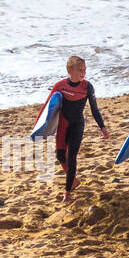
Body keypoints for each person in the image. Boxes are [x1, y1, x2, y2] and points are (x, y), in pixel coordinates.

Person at [41, 55, 109, 203]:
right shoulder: (59, 86)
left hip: (77, 125)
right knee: (60, 156)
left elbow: (94, 110)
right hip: (63, 125)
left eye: (84, 70)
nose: (83, 73)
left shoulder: (87, 87)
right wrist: (38, 129)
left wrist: (102, 127)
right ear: (69, 70)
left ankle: (67, 192)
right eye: (79, 70)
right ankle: (74, 180)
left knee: (71, 156)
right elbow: (47, 107)